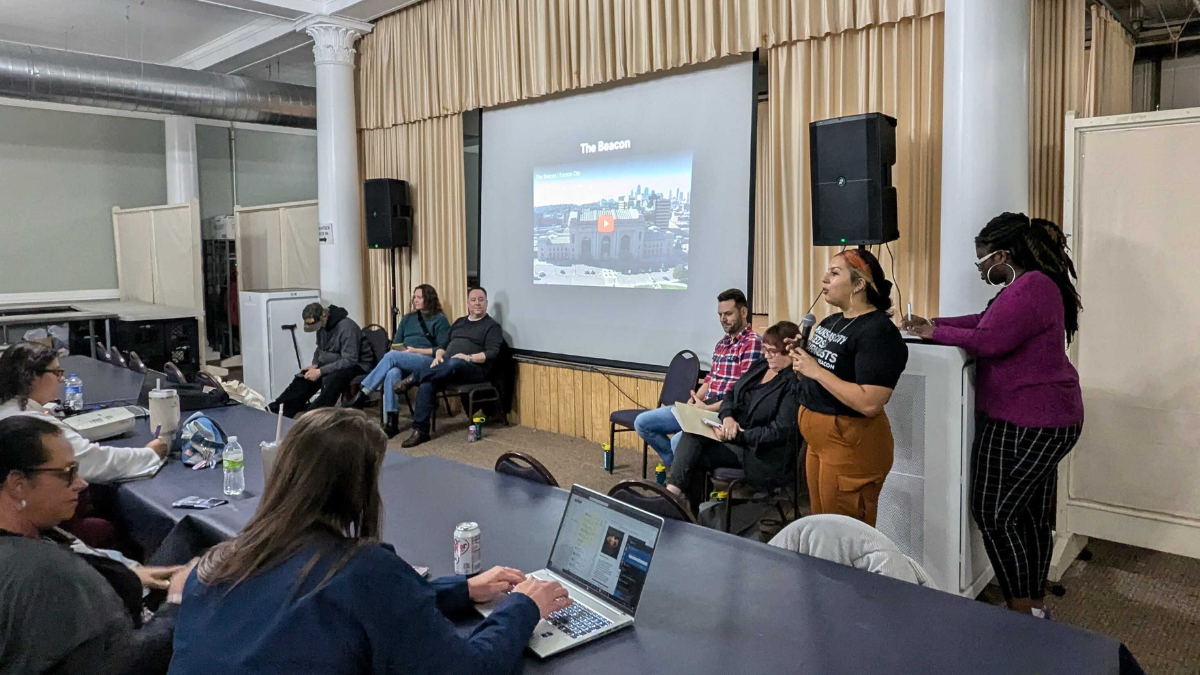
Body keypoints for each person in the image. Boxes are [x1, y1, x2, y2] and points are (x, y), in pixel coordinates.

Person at [166, 408, 572, 675]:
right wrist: (523, 607)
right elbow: (467, 669)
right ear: (357, 489)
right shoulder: (363, 569)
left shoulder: (219, 565)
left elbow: (334, 605)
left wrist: (461, 590)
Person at [901, 212, 1083, 618]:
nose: (981, 269)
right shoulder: (1030, 285)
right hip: (1041, 418)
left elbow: (990, 340)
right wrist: (933, 324)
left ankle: (1020, 613)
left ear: (1002, 255)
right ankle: (1033, 606)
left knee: (995, 513)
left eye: (982, 261)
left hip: (1029, 421)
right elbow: (985, 322)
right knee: (1030, 515)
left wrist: (933, 332)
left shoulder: (1032, 286)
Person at [0, 415, 192, 675]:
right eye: (67, 473)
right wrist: (178, 606)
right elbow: (124, 666)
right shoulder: (47, 575)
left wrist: (125, 576)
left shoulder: (32, 552)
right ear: (17, 485)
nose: (81, 484)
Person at [788, 249, 907, 527]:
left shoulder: (878, 332)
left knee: (844, 532)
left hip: (850, 443)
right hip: (819, 441)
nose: (824, 279)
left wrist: (816, 371)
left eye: (834, 273)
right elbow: (818, 375)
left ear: (858, 284)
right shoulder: (831, 322)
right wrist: (799, 362)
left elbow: (869, 402)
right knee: (822, 523)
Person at [665, 321, 800, 511]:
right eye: (765, 350)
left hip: (760, 452)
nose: (766, 355)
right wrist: (727, 417)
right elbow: (731, 394)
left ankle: (674, 499)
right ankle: (679, 500)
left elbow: (778, 432)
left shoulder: (793, 383)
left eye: (773, 351)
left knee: (694, 453)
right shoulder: (762, 366)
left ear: (790, 352)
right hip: (736, 433)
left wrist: (738, 435)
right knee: (693, 434)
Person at [0, 341, 168, 482]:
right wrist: (150, 454)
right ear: (33, 377)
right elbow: (92, 462)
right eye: (56, 373)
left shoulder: (8, 410)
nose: (62, 379)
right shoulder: (31, 424)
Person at [634, 288, 763, 468]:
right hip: (704, 406)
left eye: (728, 314)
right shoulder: (722, 344)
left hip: (724, 412)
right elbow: (710, 379)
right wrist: (696, 400)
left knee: (678, 442)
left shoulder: (752, 342)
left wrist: (707, 408)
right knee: (642, 423)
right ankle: (676, 468)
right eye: (720, 315)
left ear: (743, 312)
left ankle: (680, 474)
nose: (723, 319)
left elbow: (743, 393)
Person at [396, 287, 504, 448]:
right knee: (427, 384)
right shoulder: (460, 322)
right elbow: (443, 346)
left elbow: (491, 353)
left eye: (481, 300)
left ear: (486, 303)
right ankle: (421, 431)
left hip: (475, 370)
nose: (477, 303)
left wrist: (468, 357)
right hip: (449, 368)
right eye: (473, 300)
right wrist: (438, 357)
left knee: (455, 361)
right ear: (467, 303)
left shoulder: (492, 326)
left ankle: (414, 377)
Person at [346, 284, 451, 438]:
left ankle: (363, 393)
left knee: (391, 357)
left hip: (427, 360)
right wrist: (402, 350)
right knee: (392, 372)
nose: (415, 300)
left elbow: (443, 348)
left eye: (419, 297)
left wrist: (415, 351)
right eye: (414, 297)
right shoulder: (407, 319)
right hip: (405, 357)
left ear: (429, 299)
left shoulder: (440, 319)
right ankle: (392, 422)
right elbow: (396, 343)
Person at [270, 303, 374, 417]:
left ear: (324, 316)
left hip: (357, 364)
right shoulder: (322, 327)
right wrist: (315, 365)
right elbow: (319, 349)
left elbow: (350, 360)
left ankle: (314, 415)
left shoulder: (347, 328)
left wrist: (320, 371)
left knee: (334, 379)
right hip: (336, 361)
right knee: (304, 377)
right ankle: (277, 410)